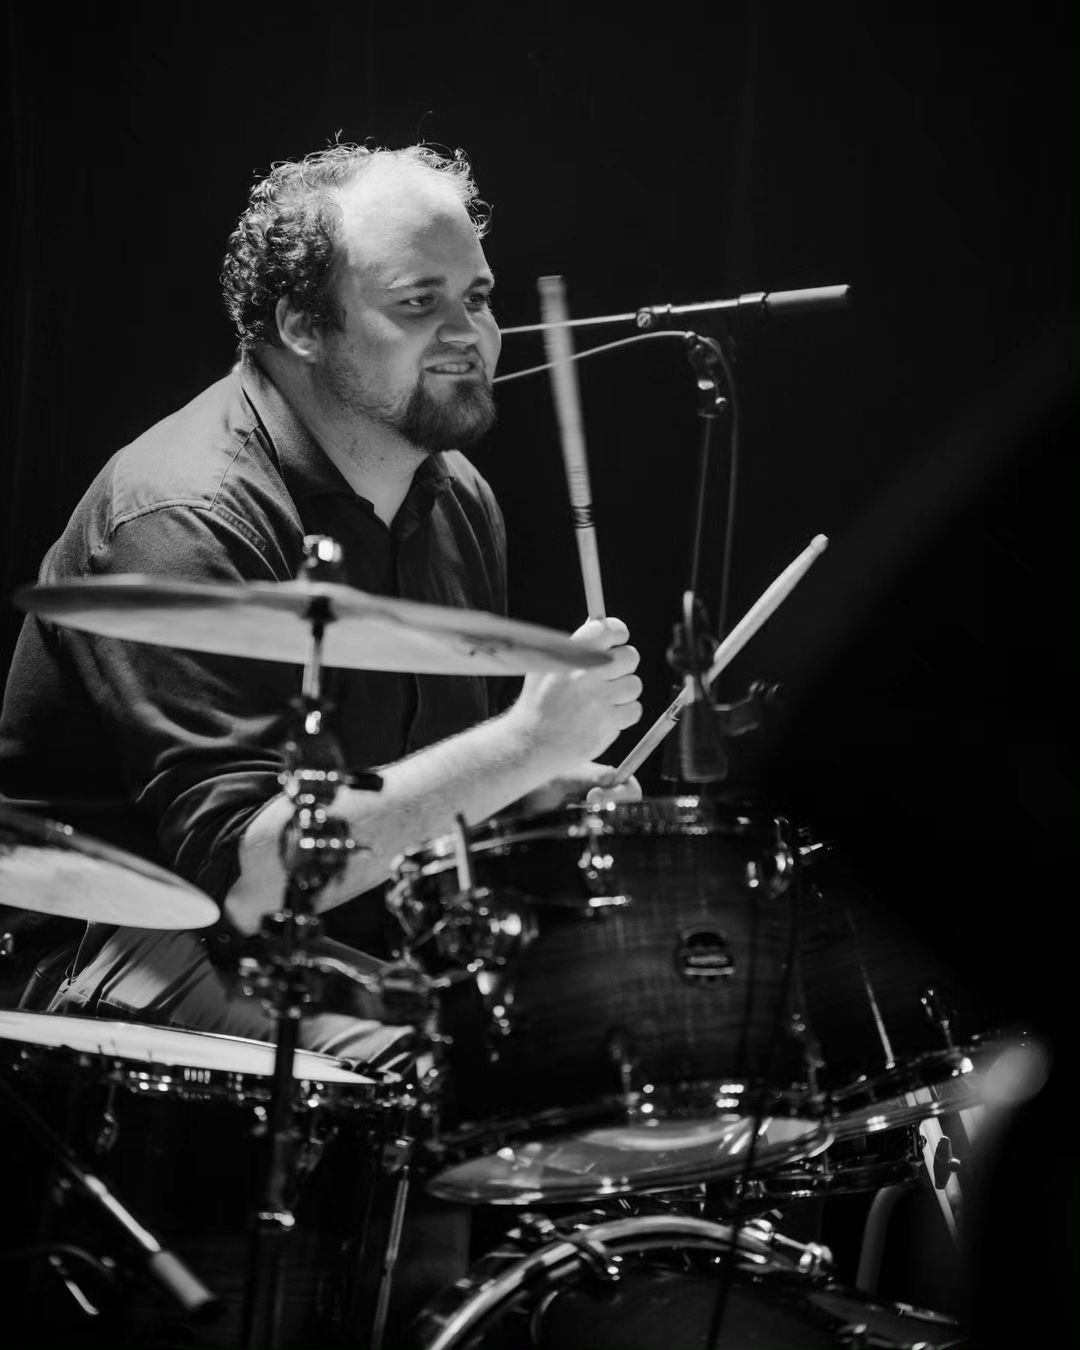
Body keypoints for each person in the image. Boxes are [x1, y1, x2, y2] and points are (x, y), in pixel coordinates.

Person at [0, 140, 643, 1060]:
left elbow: (406, 798)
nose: (469, 333)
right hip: (105, 965)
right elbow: (251, 877)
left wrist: (524, 793)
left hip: (328, 950)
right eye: (418, 302)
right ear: (304, 324)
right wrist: (521, 745)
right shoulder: (182, 514)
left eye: (478, 297)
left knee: (627, 1027)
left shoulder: (457, 498)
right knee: (449, 1079)